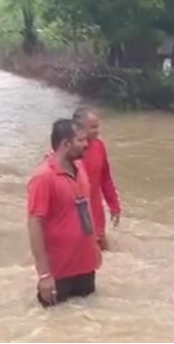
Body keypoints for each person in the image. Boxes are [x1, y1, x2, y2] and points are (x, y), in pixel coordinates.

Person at [28, 119, 100, 307]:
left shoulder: (80, 168)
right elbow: (34, 224)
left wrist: (95, 247)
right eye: (81, 140)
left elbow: (85, 210)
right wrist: (44, 275)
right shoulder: (43, 178)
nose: (87, 144)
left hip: (85, 266)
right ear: (65, 144)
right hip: (59, 272)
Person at [72, 108, 122, 250]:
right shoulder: (67, 152)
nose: (97, 131)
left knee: (102, 252)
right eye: (93, 127)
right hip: (75, 216)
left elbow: (105, 178)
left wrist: (114, 205)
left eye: (98, 126)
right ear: (79, 128)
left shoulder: (99, 146)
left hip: (96, 212)